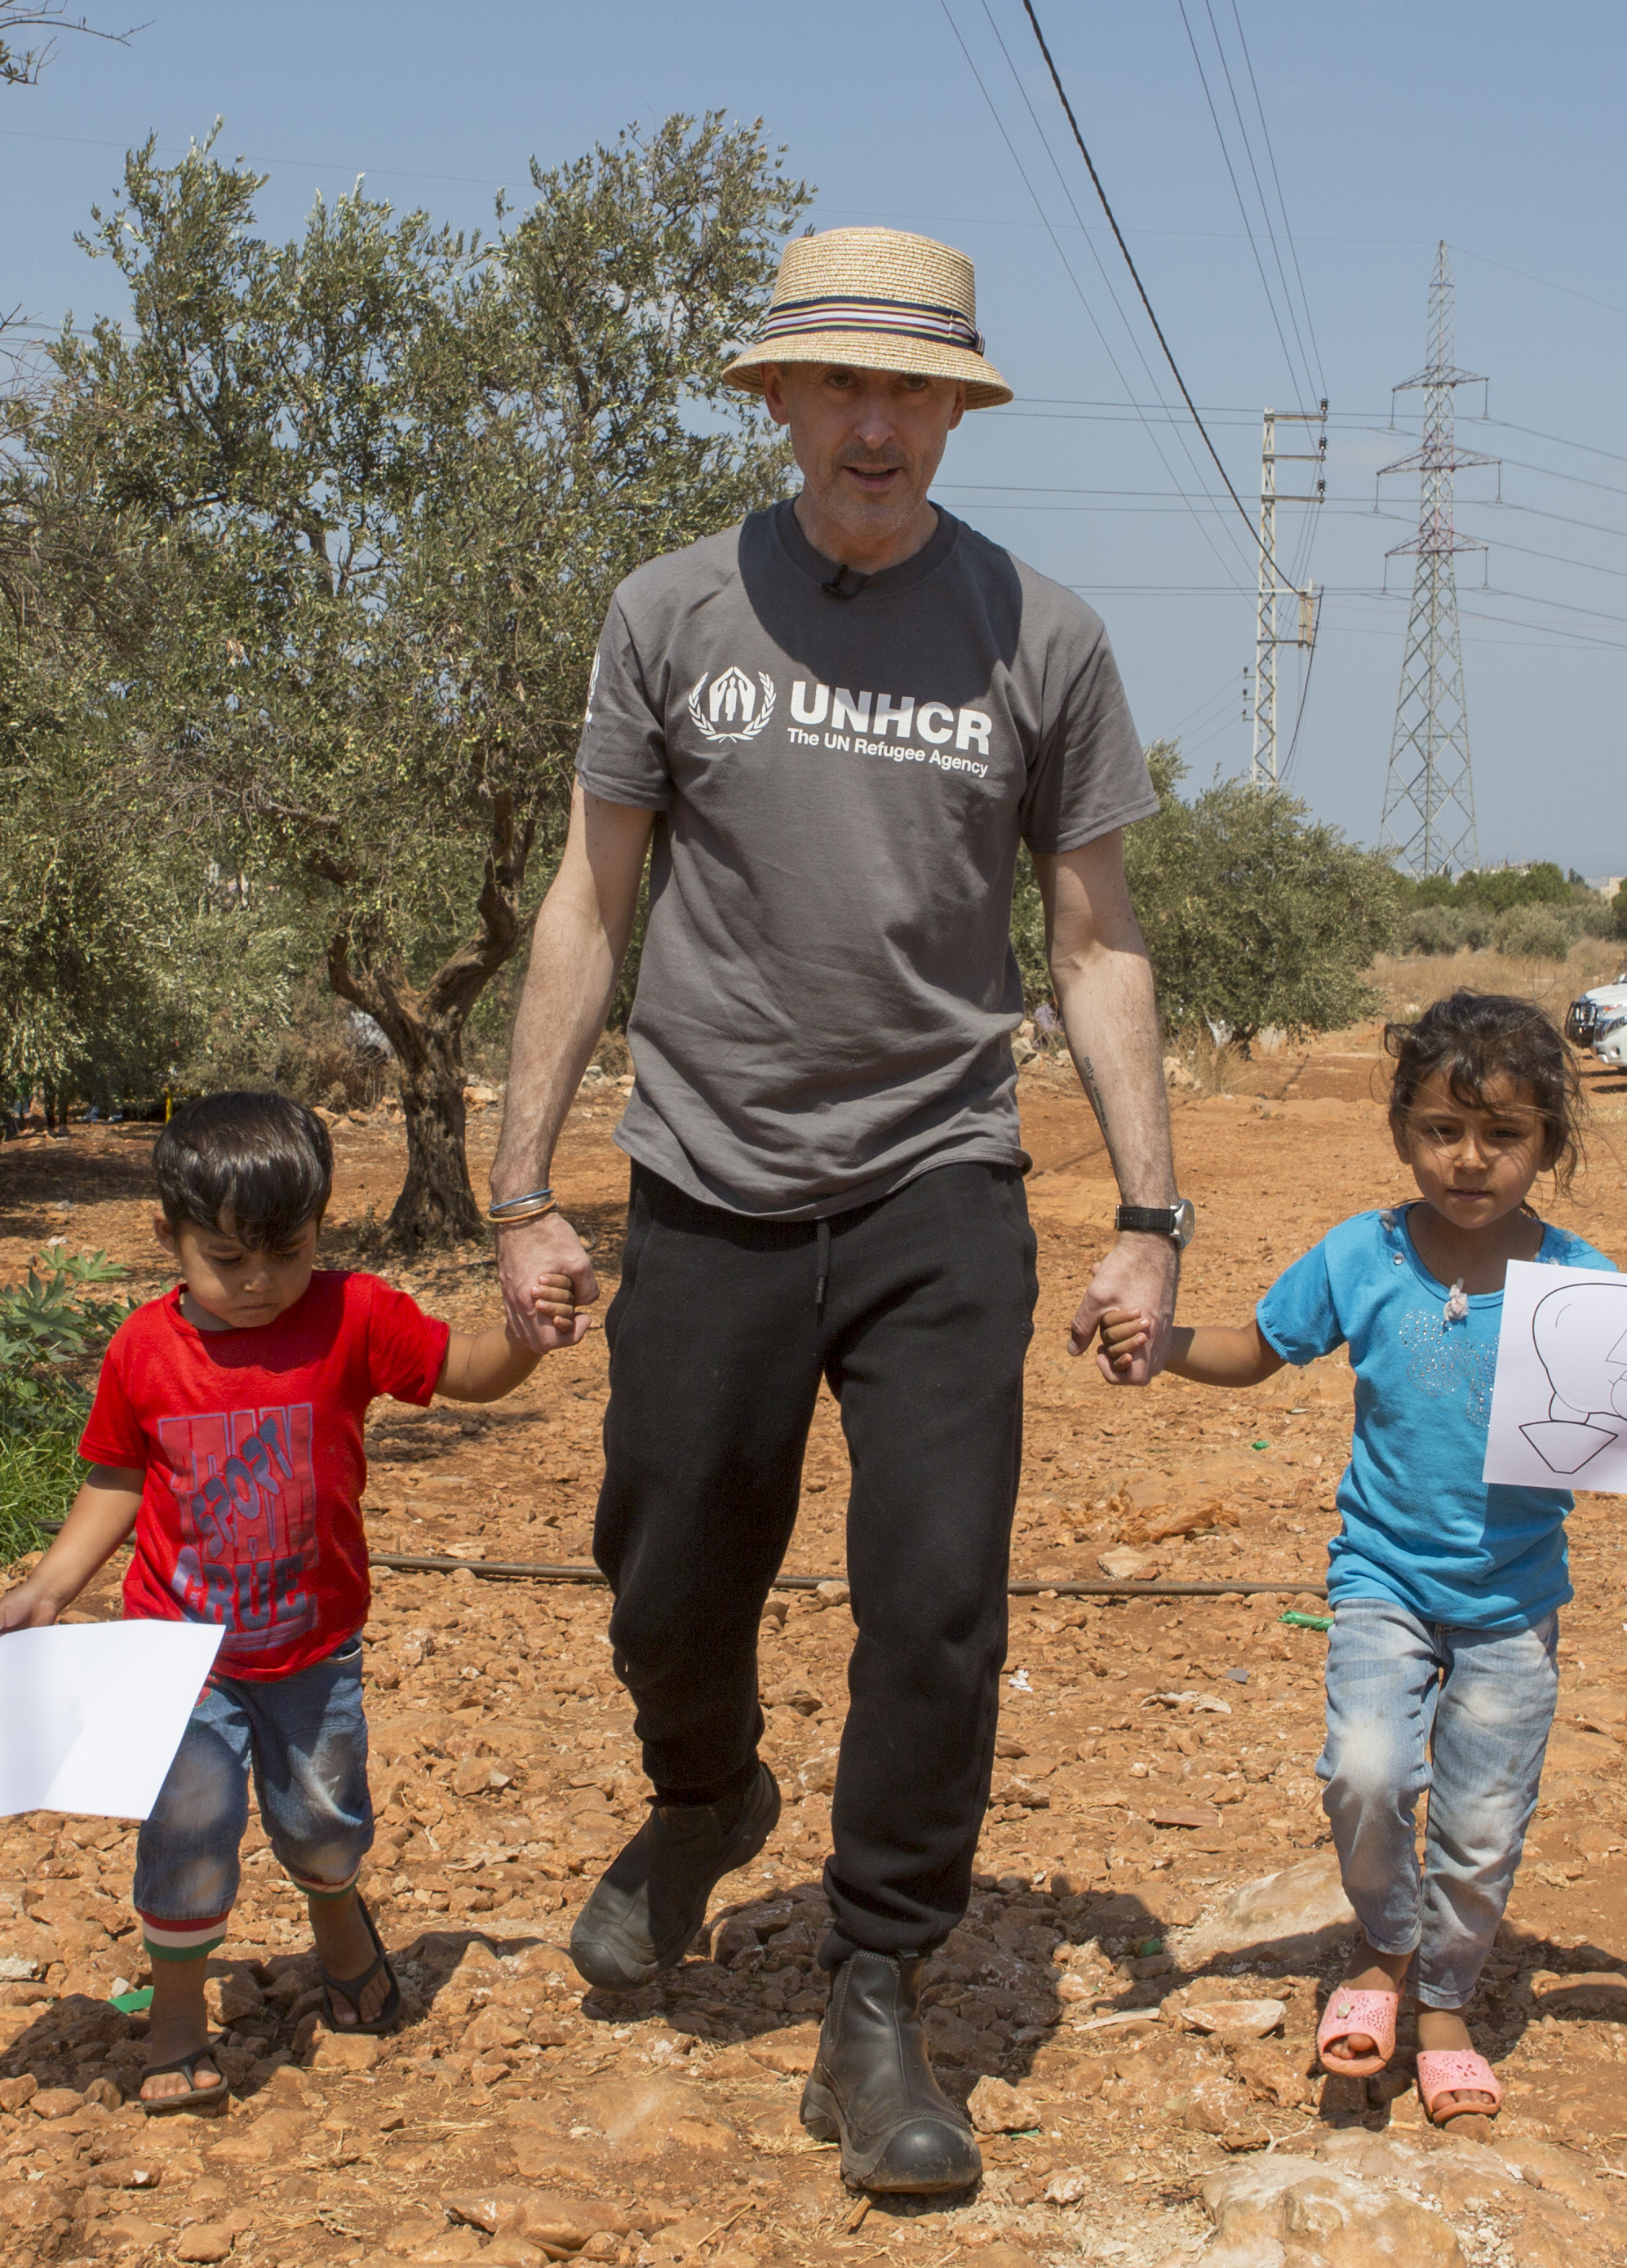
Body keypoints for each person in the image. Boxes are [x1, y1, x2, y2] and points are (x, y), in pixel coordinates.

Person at [487, 227, 1185, 2194]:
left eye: (913, 391)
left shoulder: (1039, 636)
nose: (876, 424)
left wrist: (1149, 1212)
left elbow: (1095, 940)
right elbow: (587, 905)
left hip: (936, 1180)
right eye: (842, 385)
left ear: (955, 414)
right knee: (665, 1569)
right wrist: (519, 1189)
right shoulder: (669, 612)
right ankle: (705, 1796)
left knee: (936, 1597)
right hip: (706, 1177)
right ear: (780, 400)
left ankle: (875, 1986)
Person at [1100, 993, 1627, 2134]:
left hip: (1511, 1603)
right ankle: (1385, 1947)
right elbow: (1256, 1347)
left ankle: (1442, 2006)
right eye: (1442, 1130)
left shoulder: (1580, 1286)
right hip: (1379, 1579)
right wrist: (1163, 1346)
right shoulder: (1360, 1254)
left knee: (1481, 1825)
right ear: (1401, 1130)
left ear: (1548, 1142)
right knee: (1366, 1773)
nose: (1470, 1159)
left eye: (1503, 1134)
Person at [0, 1091, 564, 2112]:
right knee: (186, 1828)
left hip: (312, 1650)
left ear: (320, 1229)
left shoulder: (354, 1314)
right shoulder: (142, 1350)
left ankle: (336, 1916)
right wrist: (48, 1586)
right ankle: (175, 2017)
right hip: (177, 1657)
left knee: (323, 1821)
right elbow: (116, 1476)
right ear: (167, 1236)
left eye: (285, 1254)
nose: (257, 1282)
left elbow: (466, 1371)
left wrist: (525, 1333)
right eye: (226, 1258)